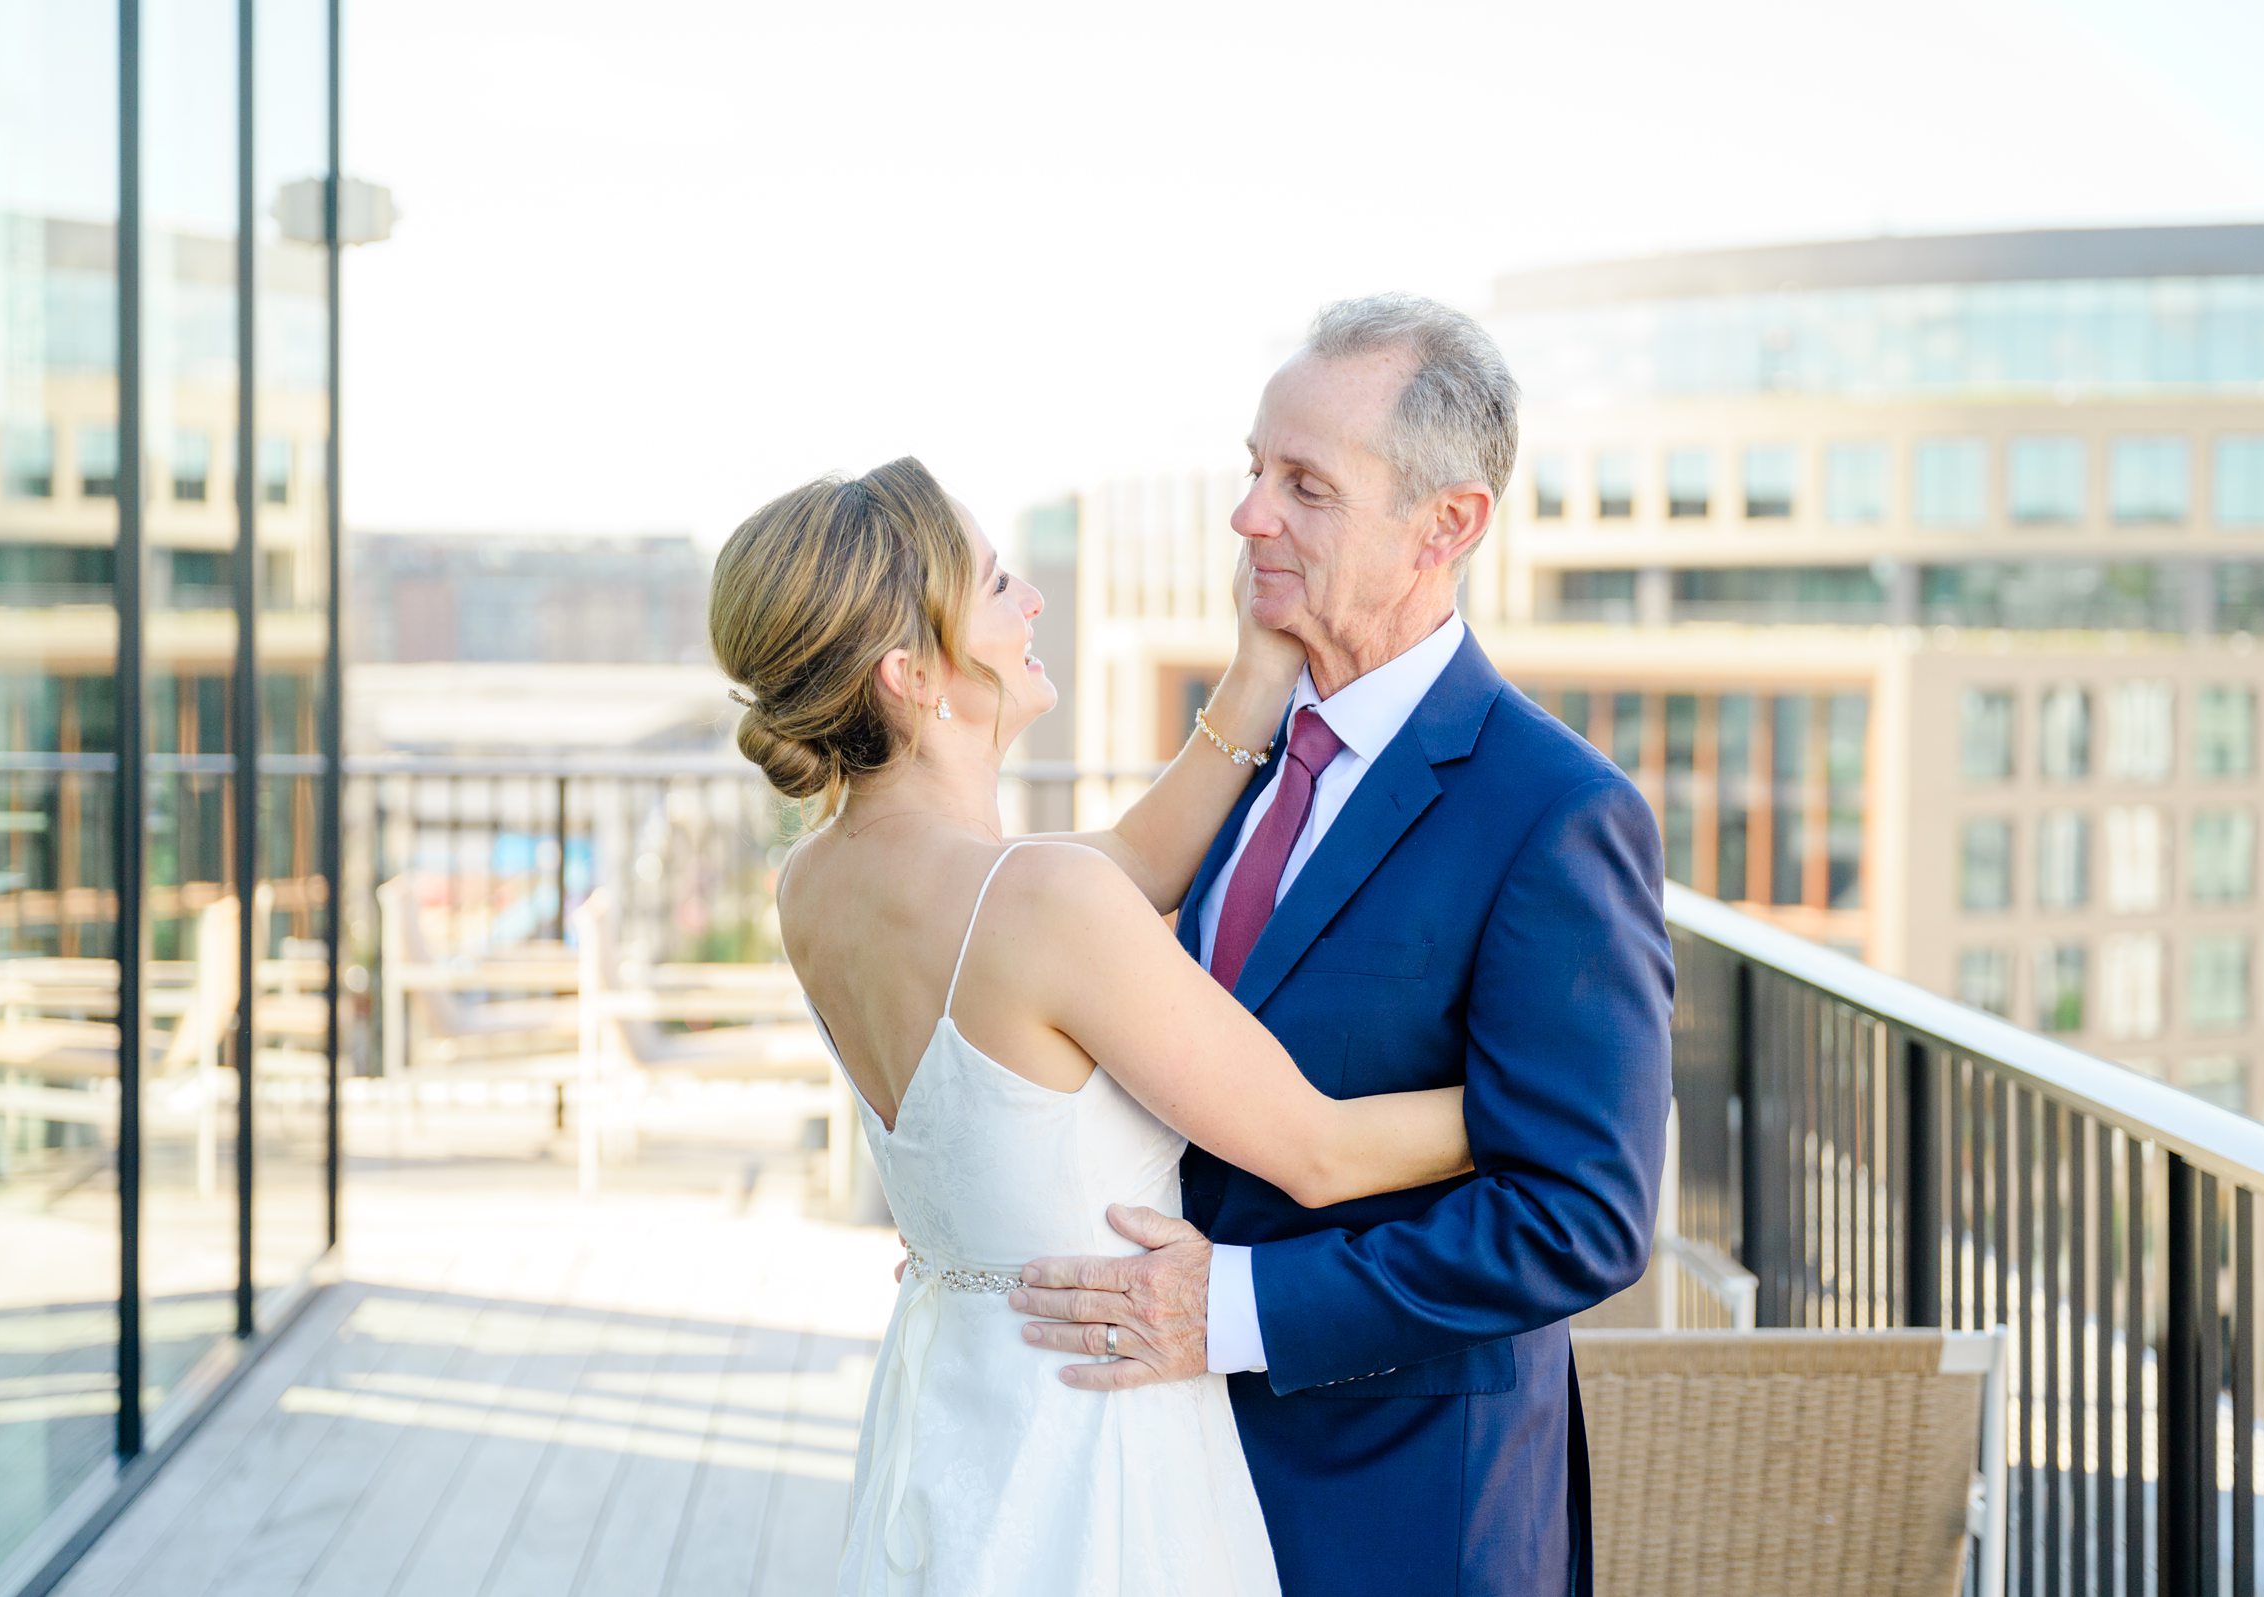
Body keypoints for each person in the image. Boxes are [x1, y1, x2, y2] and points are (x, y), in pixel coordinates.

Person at [709, 454, 1475, 1596]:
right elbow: (1318, 1150)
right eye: (999, 583)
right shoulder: (1032, 904)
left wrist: (1256, 673)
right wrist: (1553, 1105)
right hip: (1092, 1440)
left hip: (958, 1416)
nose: (1033, 603)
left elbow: (1132, 863)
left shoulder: (817, 881)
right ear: (913, 673)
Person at [1008, 294, 1674, 1595]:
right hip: (1175, 1472)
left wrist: (1237, 1309)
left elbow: (1581, 1215)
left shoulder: (1559, 814)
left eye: (1305, 485)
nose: (1251, 515)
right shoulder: (1250, 762)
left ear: (1449, 524)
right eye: (1254, 472)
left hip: (1407, 1506)